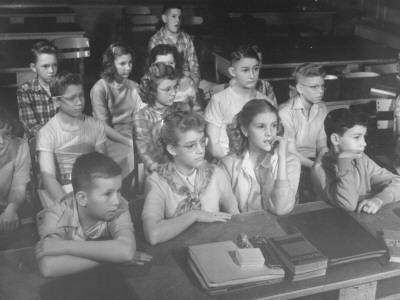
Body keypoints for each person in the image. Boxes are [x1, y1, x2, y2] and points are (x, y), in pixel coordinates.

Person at [36, 152, 152, 278]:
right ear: (82, 198)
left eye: (118, 191)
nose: (116, 200)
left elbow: (126, 251)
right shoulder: (56, 214)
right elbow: (48, 267)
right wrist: (114, 256)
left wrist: (65, 246)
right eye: (107, 194)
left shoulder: (119, 206)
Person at [142, 111, 239, 245]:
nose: (200, 150)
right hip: (174, 254)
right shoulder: (157, 181)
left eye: (202, 142)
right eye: (190, 145)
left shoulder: (216, 173)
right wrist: (195, 215)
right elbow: (153, 235)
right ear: (171, 149)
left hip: (214, 247)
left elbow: (237, 218)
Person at [311, 108, 400, 214]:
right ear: (335, 139)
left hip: (359, 219)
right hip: (334, 222)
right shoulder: (320, 168)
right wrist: (344, 161)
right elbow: (348, 204)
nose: (364, 143)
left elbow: (397, 181)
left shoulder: (361, 159)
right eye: (357, 137)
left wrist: (379, 199)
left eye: (364, 137)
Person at [37, 72, 107, 203]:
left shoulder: (96, 125)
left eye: (81, 95)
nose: (79, 102)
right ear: (56, 101)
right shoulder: (47, 132)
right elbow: (48, 177)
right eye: (71, 98)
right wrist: (68, 203)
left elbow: (102, 165)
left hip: (91, 185)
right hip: (61, 189)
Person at [221, 99, 300, 214]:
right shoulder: (228, 163)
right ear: (245, 130)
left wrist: (282, 158)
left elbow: (281, 209)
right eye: (261, 126)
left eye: (273, 126)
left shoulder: (290, 161)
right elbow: (230, 213)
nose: (269, 133)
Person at [90, 42, 145, 193]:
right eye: (122, 63)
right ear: (111, 64)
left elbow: (140, 118)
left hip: (133, 133)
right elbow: (102, 127)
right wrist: (129, 142)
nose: (128, 67)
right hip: (110, 137)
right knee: (129, 155)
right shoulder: (100, 88)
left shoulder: (134, 86)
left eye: (130, 62)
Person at [204, 45, 275, 159]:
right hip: (228, 160)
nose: (252, 75)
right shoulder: (219, 100)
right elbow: (212, 145)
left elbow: (270, 140)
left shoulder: (266, 102)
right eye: (245, 70)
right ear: (233, 71)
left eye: (255, 69)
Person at [133, 62, 190, 174]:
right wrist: (163, 171)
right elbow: (144, 152)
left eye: (175, 87)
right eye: (167, 89)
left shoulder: (183, 108)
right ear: (152, 91)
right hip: (159, 172)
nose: (173, 93)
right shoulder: (142, 117)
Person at [278, 63, 328, 168]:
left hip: (315, 161)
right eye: (314, 87)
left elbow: (322, 146)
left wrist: (322, 163)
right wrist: (316, 167)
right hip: (292, 164)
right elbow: (291, 152)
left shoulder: (322, 107)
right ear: (300, 88)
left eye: (322, 86)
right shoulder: (284, 112)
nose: (321, 91)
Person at [148, 1, 200, 87]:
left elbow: (194, 67)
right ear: (164, 18)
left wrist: (195, 85)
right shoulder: (155, 41)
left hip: (187, 83)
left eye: (179, 17)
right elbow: (155, 73)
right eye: (173, 16)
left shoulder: (187, 38)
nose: (178, 20)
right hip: (166, 85)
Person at [17, 41, 58, 139]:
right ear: (33, 67)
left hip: (63, 141)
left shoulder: (64, 87)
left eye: (54, 65)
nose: (51, 71)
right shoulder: (25, 90)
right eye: (45, 66)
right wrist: (53, 138)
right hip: (38, 142)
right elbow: (30, 124)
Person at [0, 107, 31, 232]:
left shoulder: (21, 146)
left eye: (6, 134)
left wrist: (11, 208)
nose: (1, 141)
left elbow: (18, 187)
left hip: (8, 205)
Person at [149, 44, 203, 111]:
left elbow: (198, 112)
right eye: (162, 64)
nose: (167, 67)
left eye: (171, 63)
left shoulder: (188, 82)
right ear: (152, 65)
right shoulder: (147, 85)